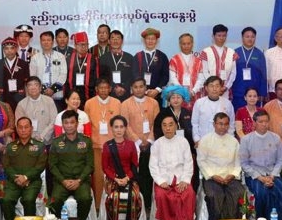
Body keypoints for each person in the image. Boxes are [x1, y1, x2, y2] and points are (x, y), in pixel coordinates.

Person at [149, 115, 196, 220]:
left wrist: (185, 180)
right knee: (161, 196)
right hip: (164, 180)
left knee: (189, 194)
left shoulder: (183, 142)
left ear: (176, 126)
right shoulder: (157, 144)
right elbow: (153, 166)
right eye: (164, 125)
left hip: (181, 178)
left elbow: (189, 163)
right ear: (161, 127)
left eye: (170, 125)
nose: (168, 128)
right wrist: (160, 181)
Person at [49, 110, 94, 220]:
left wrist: (79, 180)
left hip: (81, 180)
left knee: (85, 199)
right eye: (66, 123)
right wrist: (63, 181)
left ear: (77, 124)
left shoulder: (86, 141)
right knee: (54, 201)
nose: (69, 125)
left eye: (72, 122)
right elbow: (52, 166)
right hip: (62, 181)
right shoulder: (56, 142)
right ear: (62, 124)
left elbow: (90, 165)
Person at [197, 113, 244, 220]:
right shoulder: (206, 140)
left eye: (226, 124)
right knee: (214, 195)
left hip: (230, 177)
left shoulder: (233, 141)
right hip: (212, 177)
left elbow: (238, 162)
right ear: (214, 124)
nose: (223, 127)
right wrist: (213, 175)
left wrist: (232, 175)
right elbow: (201, 161)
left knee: (239, 193)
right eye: (220, 124)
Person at [239, 110, 282, 220]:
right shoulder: (246, 140)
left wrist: (272, 176)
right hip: (254, 175)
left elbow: (281, 159)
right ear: (254, 123)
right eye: (261, 122)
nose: (264, 124)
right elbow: (244, 163)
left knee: (281, 190)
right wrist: (260, 178)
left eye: (266, 121)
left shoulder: (275, 138)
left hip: (272, 174)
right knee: (262, 192)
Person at [1, 117, 47, 220]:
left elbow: (40, 166)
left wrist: (26, 177)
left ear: (31, 128)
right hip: (14, 182)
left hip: (32, 182)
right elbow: (6, 166)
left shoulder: (39, 146)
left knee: (28, 199)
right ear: (16, 129)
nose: (23, 130)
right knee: (6, 200)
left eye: (26, 127)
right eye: (20, 127)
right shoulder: (10, 147)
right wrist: (16, 178)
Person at [120, 78, 160, 210]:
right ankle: (135, 205)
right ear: (131, 89)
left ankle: (148, 204)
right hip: (132, 146)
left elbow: (157, 123)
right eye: (135, 87)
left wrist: (149, 141)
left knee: (148, 175)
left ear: (145, 88)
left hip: (151, 145)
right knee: (134, 175)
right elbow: (125, 125)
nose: (138, 89)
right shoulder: (125, 104)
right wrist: (137, 141)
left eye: (141, 86)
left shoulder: (153, 103)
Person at [102, 115, 142, 220]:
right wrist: (116, 179)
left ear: (125, 128)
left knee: (134, 195)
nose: (119, 130)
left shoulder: (131, 144)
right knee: (115, 196)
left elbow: (134, 165)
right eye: (116, 127)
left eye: (121, 127)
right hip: (112, 179)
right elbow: (105, 167)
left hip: (129, 178)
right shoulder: (107, 145)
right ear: (112, 129)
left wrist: (127, 178)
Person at [84, 78, 122, 207]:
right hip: (95, 146)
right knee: (98, 177)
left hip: (113, 146)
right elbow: (87, 126)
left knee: (113, 176)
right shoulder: (89, 103)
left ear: (110, 89)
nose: (104, 90)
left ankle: (113, 205)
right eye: (101, 88)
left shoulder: (117, 103)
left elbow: (120, 125)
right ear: (96, 89)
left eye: (106, 88)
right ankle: (98, 206)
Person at [153, 86, 198, 191]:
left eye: (178, 97)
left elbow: (192, 131)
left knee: (191, 171)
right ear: (169, 99)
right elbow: (157, 131)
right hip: (167, 148)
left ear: (183, 98)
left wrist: (192, 149)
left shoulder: (188, 113)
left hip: (186, 149)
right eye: (173, 97)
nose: (176, 100)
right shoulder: (163, 113)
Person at [192, 76, 235, 146]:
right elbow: (195, 123)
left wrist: (230, 139)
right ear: (206, 88)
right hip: (203, 141)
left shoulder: (227, 103)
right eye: (211, 86)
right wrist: (197, 139)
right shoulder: (199, 103)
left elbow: (231, 124)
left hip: (223, 142)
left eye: (217, 86)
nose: (214, 89)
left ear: (221, 87)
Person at [232, 27, 268, 110]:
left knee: (254, 116)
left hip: (254, 95)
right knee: (239, 115)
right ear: (242, 38)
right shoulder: (235, 53)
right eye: (247, 36)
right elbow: (231, 74)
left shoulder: (259, 54)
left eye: (252, 37)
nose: (250, 39)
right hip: (238, 92)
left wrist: (262, 93)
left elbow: (264, 75)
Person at [29, 30, 67, 110]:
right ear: (40, 42)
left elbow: (63, 74)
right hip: (40, 94)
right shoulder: (35, 58)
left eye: (48, 40)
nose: (46, 42)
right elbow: (33, 76)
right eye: (43, 40)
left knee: (57, 115)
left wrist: (52, 89)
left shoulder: (60, 56)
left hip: (57, 94)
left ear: (53, 42)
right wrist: (43, 89)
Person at [15, 76, 58, 146]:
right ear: (26, 88)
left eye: (36, 85)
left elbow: (54, 121)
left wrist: (41, 137)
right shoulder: (21, 104)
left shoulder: (49, 101)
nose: (33, 87)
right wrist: (29, 138)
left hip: (47, 141)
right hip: (28, 143)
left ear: (40, 88)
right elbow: (18, 124)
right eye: (30, 85)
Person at [0, 36, 30, 111]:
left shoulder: (24, 64)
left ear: (16, 49)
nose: (9, 51)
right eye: (6, 48)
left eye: (12, 48)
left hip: (20, 98)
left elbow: (27, 84)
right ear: (3, 50)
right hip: (2, 98)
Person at [132, 28, 169, 104]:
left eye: (153, 39)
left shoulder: (162, 56)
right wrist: (143, 90)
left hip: (157, 95)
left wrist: (157, 90)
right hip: (140, 94)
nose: (150, 41)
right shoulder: (138, 56)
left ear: (156, 41)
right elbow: (134, 74)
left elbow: (165, 76)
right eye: (148, 39)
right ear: (144, 40)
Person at [199, 24, 237, 96]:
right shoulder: (206, 52)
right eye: (219, 35)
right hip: (210, 90)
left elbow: (233, 73)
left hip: (225, 90)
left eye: (224, 36)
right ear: (213, 36)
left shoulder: (231, 52)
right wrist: (214, 87)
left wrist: (226, 87)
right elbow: (205, 71)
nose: (221, 38)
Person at [168, 33, 204, 109]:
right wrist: (183, 92)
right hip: (178, 95)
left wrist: (193, 92)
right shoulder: (174, 60)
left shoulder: (198, 60)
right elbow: (172, 78)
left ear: (192, 44)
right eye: (183, 44)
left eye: (188, 43)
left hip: (195, 95)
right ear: (180, 45)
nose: (186, 46)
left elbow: (201, 79)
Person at [99, 30, 134, 102]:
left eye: (118, 38)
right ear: (109, 41)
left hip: (126, 93)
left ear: (122, 41)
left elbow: (132, 75)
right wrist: (115, 87)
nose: (115, 41)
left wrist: (124, 88)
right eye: (113, 38)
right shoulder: (103, 58)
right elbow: (103, 76)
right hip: (109, 92)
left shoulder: (130, 57)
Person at [64, 31, 98, 105]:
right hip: (72, 97)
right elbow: (65, 80)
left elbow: (97, 78)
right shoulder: (68, 59)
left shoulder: (93, 59)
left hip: (89, 96)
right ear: (75, 45)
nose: (83, 47)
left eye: (85, 44)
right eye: (80, 45)